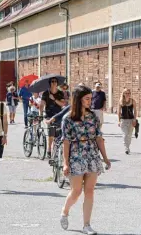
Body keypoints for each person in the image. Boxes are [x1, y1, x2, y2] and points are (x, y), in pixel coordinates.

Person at [60, 85, 111, 234]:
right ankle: (65, 210)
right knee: (76, 191)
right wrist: (65, 163)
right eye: (87, 98)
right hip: (76, 156)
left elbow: (99, 138)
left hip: (92, 155)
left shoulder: (93, 116)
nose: (90, 101)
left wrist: (106, 158)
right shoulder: (67, 119)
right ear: (78, 100)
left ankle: (86, 225)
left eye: (91, 98)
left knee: (90, 191)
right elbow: (66, 142)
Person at [40, 77, 65, 158]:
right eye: (52, 81)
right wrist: (40, 114)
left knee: (58, 134)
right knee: (51, 134)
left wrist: (54, 99)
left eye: (55, 81)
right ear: (50, 83)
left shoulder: (60, 93)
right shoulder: (46, 93)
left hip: (59, 115)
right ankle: (49, 150)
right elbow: (42, 104)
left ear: (57, 83)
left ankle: (56, 149)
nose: (54, 83)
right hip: (49, 116)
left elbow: (62, 104)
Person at [117, 88, 137, 154]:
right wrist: (119, 121)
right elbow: (119, 112)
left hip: (131, 120)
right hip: (123, 120)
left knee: (129, 135)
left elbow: (135, 111)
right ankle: (126, 148)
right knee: (125, 135)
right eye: (126, 93)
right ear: (123, 94)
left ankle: (128, 146)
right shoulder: (120, 101)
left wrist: (134, 119)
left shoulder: (132, 101)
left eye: (129, 93)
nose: (127, 94)